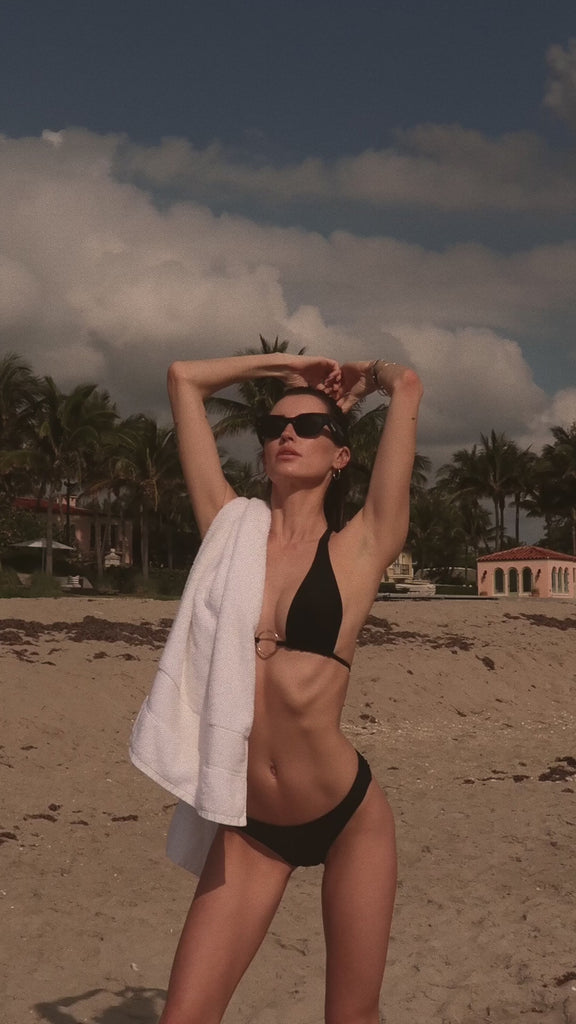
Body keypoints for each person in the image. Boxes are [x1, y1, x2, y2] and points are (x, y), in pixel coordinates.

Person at [155, 351, 423, 1024]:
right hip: (253, 827)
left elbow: (408, 386)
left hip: (347, 818)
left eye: (308, 426)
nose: (287, 435)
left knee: (351, 1017)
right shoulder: (229, 530)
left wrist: (372, 377)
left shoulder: (363, 545)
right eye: (274, 428)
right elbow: (184, 378)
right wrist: (285, 367)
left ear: (341, 457)